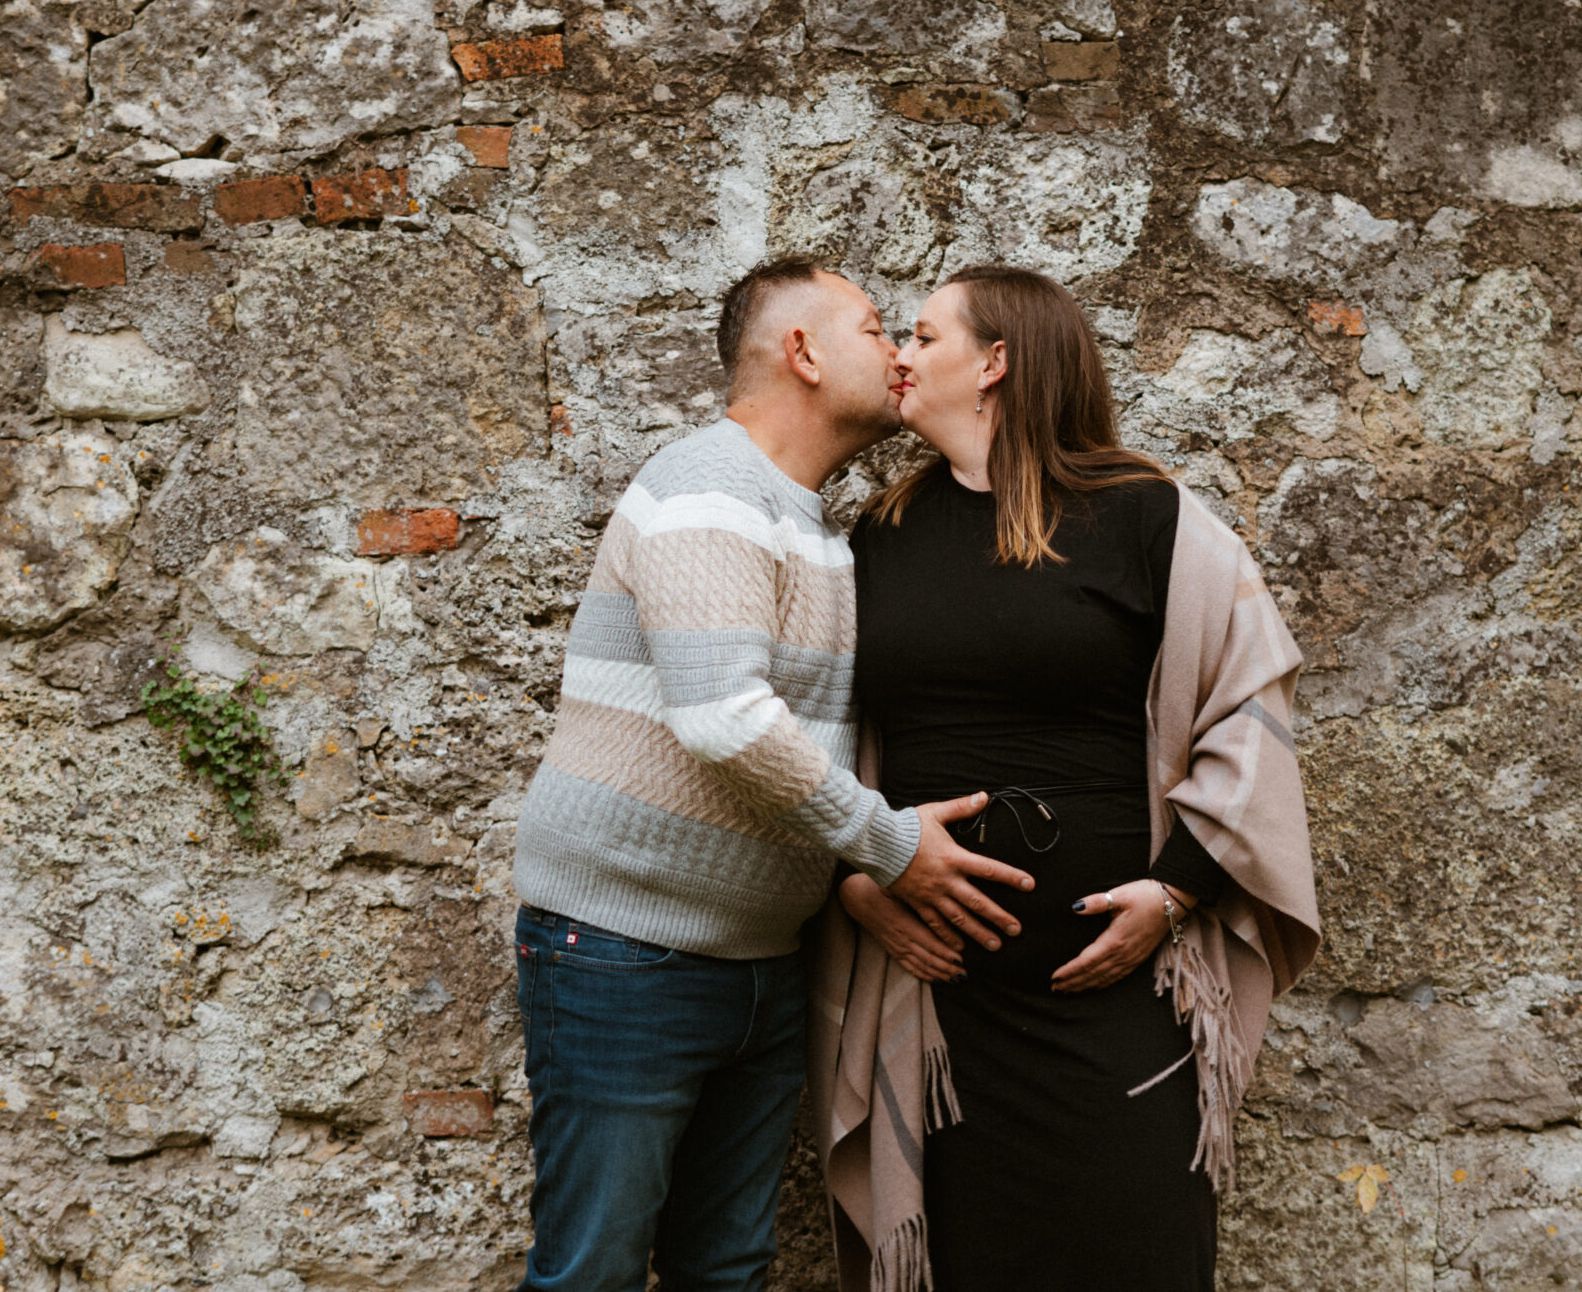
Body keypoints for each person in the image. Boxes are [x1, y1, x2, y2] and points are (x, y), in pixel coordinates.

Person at [509, 257, 1034, 1292]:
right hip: (623, 953)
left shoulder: (817, 527)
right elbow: (725, 718)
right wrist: (892, 847)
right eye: (875, 328)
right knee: (592, 1273)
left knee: (729, 1268)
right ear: (802, 352)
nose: (898, 353)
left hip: (761, 960)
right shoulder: (708, 486)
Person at [812, 264, 1322, 1292]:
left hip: (1119, 998)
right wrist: (857, 881)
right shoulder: (883, 532)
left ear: (995, 363)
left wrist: (1177, 890)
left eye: (924, 336)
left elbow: (1251, 710)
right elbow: (820, 740)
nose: (899, 357)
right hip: (943, 1011)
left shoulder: (1145, 515)